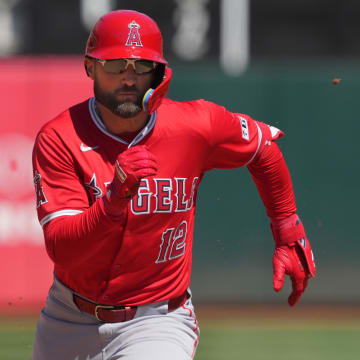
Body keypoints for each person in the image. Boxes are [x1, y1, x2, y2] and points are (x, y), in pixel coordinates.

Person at [31, 9, 316, 360]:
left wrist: (288, 229)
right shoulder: (60, 137)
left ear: (159, 73)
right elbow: (62, 249)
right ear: (90, 67)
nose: (129, 78)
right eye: (116, 65)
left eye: (141, 66)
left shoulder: (194, 126)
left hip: (157, 320)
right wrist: (114, 200)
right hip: (67, 318)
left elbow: (263, 150)